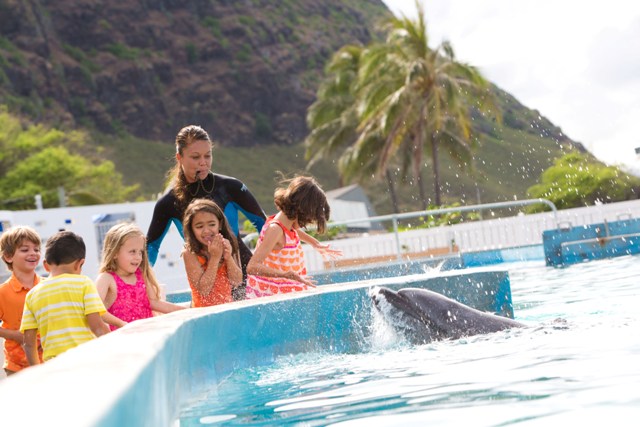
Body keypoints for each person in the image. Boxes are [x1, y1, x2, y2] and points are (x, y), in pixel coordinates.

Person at [147, 125, 266, 300]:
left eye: (208, 155)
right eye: (195, 157)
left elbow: (264, 225)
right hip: (206, 283)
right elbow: (151, 248)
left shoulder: (230, 187)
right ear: (179, 157)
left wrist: (263, 263)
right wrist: (138, 281)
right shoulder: (168, 202)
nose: (203, 162)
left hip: (243, 276)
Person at [20, 231, 109, 364]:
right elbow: (97, 326)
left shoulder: (32, 295)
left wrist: (37, 370)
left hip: (54, 364)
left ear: (45, 265)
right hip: (86, 358)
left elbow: (29, 342)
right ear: (80, 264)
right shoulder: (84, 283)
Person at [246, 175, 342, 299]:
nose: (306, 224)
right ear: (300, 210)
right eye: (307, 219)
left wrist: (315, 243)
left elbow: (293, 232)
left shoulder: (286, 225)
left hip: (282, 294)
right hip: (268, 298)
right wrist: (286, 275)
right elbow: (252, 266)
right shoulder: (275, 230)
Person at [96, 223, 185, 330]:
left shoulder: (141, 275)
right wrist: (122, 324)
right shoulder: (106, 279)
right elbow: (96, 309)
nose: (138, 257)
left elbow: (153, 303)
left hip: (148, 333)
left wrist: (185, 310)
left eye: (140, 252)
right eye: (132, 252)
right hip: (123, 338)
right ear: (114, 253)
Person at [182, 199, 243, 307]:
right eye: (199, 227)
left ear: (219, 225)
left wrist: (228, 258)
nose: (206, 231)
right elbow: (204, 291)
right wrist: (215, 258)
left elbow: (237, 282)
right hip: (202, 313)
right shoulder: (189, 253)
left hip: (226, 309)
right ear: (191, 229)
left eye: (211, 224)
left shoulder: (228, 244)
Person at [0, 226, 43, 375]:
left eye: (36, 249)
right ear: (8, 257)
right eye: (25, 250)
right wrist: (16, 336)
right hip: (17, 368)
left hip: (50, 363)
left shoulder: (47, 286)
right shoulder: (2, 292)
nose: (33, 253)